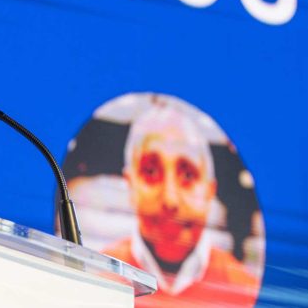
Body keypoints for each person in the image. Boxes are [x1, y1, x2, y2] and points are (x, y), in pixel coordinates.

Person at [104, 98, 258, 307]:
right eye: (151, 171)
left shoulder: (246, 291)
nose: (170, 199)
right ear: (130, 184)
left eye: (188, 175)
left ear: (209, 191)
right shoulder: (96, 281)